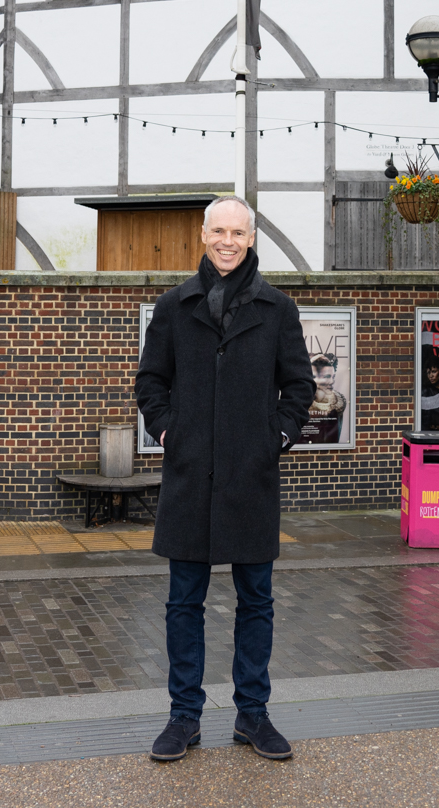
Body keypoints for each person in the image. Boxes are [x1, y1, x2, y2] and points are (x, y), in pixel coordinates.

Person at [135, 195, 312, 763]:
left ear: (252, 237)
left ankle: (252, 715)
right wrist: (169, 433)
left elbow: (300, 387)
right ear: (203, 235)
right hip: (189, 477)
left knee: (255, 600)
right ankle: (183, 717)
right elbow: (150, 382)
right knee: (182, 602)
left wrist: (275, 438)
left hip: (250, 477)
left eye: (239, 232)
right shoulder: (174, 306)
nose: (228, 241)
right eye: (220, 231)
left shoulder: (277, 308)